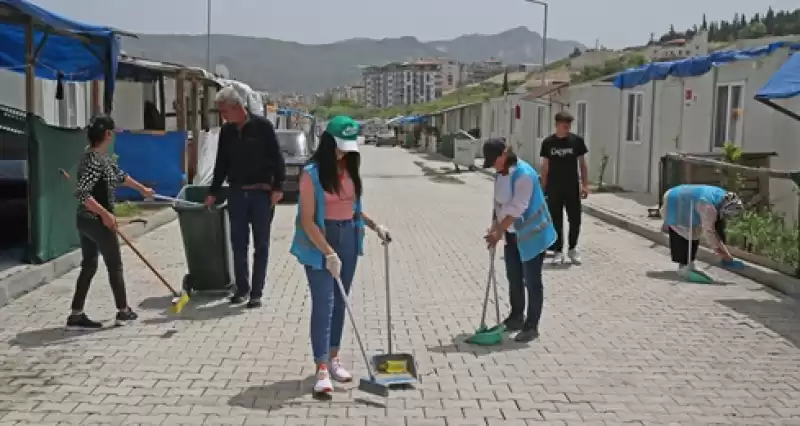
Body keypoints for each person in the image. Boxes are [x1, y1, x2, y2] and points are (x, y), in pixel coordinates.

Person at [289, 115, 391, 395]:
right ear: (328, 142)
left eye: (348, 148)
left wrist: (374, 226)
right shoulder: (311, 174)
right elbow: (307, 220)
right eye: (340, 147)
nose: (344, 153)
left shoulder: (349, 170)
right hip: (319, 240)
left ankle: (334, 357)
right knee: (325, 302)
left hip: (348, 236)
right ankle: (321, 367)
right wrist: (328, 253)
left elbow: (354, 207)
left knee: (341, 301)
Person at [69, 115, 155, 329]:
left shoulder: (101, 158)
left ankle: (76, 315)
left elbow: (120, 176)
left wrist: (142, 189)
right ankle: (123, 311)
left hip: (87, 220)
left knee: (89, 265)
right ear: (107, 134)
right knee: (114, 265)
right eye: (113, 131)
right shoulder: (93, 161)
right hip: (96, 221)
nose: (114, 134)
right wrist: (105, 215)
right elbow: (81, 193)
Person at [205, 87, 286, 308]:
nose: (223, 116)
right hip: (237, 194)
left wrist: (278, 187)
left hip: (261, 194)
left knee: (261, 244)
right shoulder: (227, 132)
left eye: (225, 111)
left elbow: (277, 159)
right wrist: (212, 192)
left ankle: (256, 293)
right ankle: (242, 289)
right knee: (238, 244)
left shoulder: (263, 127)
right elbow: (221, 164)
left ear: (237, 107)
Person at [482, 139, 556, 343]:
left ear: (504, 154)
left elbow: (517, 208)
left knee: (532, 281)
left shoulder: (524, 175)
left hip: (532, 234)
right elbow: (498, 204)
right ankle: (516, 317)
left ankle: (532, 325)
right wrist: (494, 228)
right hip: (513, 235)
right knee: (514, 277)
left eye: (494, 160)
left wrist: (498, 232)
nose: (493, 165)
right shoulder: (500, 174)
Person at [660, 184, 744, 277]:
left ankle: (689, 264)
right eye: (728, 216)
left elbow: (714, 232)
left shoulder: (721, 197)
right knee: (686, 233)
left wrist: (727, 255)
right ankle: (684, 266)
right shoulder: (709, 208)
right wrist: (724, 255)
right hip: (675, 200)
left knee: (695, 233)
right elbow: (709, 234)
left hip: (683, 197)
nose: (728, 218)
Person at [539, 111, 589, 264]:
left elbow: (582, 164)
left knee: (575, 219)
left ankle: (573, 249)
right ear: (556, 125)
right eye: (563, 124)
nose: (566, 127)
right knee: (555, 219)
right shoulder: (548, 143)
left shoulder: (577, 141)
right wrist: (542, 188)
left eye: (568, 125)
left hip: (572, 186)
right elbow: (545, 166)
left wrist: (585, 185)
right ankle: (558, 250)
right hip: (554, 186)